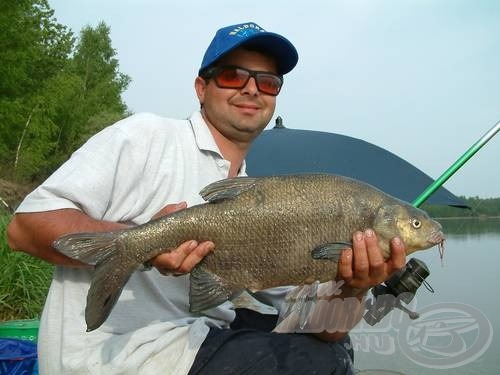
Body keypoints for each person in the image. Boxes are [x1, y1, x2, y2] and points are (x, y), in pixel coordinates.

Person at [7, 22, 406, 374]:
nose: (252, 88)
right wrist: (143, 243)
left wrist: (356, 287)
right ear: (202, 87)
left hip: (199, 337)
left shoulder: (262, 198)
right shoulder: (146, 137)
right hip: (118, 356)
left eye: (268, 82)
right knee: (319, 364)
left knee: (335, 348)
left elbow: (323, 329)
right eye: (233, 76)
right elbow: (24, 230)